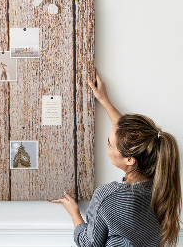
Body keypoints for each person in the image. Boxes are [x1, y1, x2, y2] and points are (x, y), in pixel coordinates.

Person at [52, 71, 181, 246]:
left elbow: (89, 244)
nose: (106, 145)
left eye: (109, 143)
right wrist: (105, 101)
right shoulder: (161, 183)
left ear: (130, 159)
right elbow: (129, 138)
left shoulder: (108, 196)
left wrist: (74, 213)